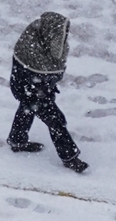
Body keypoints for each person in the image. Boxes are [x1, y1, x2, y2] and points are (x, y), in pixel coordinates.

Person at [6, 11, 88, 173]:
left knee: (26, 109)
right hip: (32, 89)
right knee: (56, 121)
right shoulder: (31, 49)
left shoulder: (39, 40)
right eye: (60, 32)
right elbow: (38, 70)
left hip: (33, 88)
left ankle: (17, 140)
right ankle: (70, 158)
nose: (63, 36)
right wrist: (42, 89)